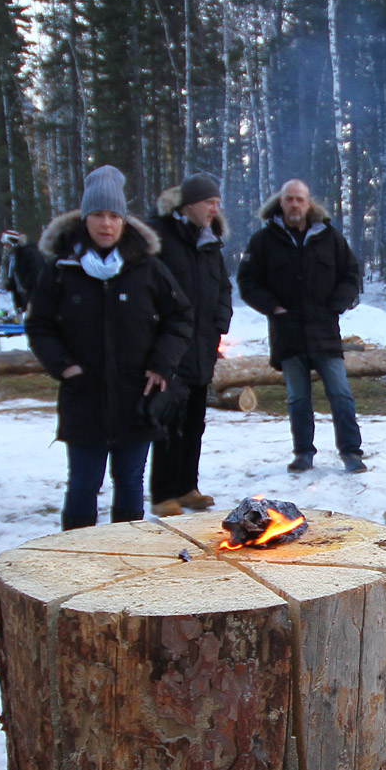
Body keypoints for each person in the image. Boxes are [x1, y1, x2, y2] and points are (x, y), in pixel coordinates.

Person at [26, 166, 193, 529]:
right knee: (84, 484)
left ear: (124, 220)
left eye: (114, 215)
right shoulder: (59, 270)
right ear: (85, 218)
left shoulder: (147, 269)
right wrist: (64, 366)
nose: (106, 224)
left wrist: (162, 364)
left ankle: (128, 558)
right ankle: (77, 556)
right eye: (99, 215)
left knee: (131, 482)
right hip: (83, 396)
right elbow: (39, 325)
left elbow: (179, 319)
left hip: (137, 396)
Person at [236, 179, 365, 474]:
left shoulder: (329, 237)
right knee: (297, 398)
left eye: (300, 199)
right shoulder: (263, 241)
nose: (295, 205)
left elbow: (351, 274)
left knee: (341, 393)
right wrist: (273, 306)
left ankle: (351, 452)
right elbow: (247, 282)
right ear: (281, 203)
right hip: (287, 332)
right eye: (289, 199)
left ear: (309, 203)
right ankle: (303, 453)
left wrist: (337, 304)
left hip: (324, 332)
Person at [147, 173, 232, 515]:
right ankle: (162, 492)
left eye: (217, 203)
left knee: (195, 419)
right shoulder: (160, 236)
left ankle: (187, 487)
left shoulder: (210, 240)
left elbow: (223, 286)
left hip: (202, 345)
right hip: (170, 345)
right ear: (190, 204)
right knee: (168, 418)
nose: (215, 209)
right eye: (210, 202)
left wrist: (220, 324)